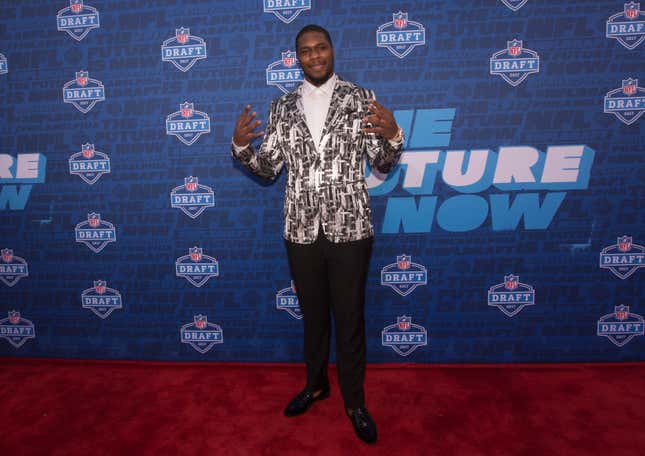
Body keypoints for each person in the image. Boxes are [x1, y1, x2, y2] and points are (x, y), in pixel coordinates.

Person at [231, 24, 403, 444]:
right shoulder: (281, 107)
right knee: (313, 318)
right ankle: (316, 384)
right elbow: (270, 168)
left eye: (320, 48)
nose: (314, 56)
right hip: (300, 229)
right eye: (305, 51)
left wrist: (393, 133)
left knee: (349, 319)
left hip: (350, 228)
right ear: (297, 58)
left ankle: (355, 402)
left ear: (332, 51)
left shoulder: (360, 98)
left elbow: (381, 163)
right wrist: (240, 148)